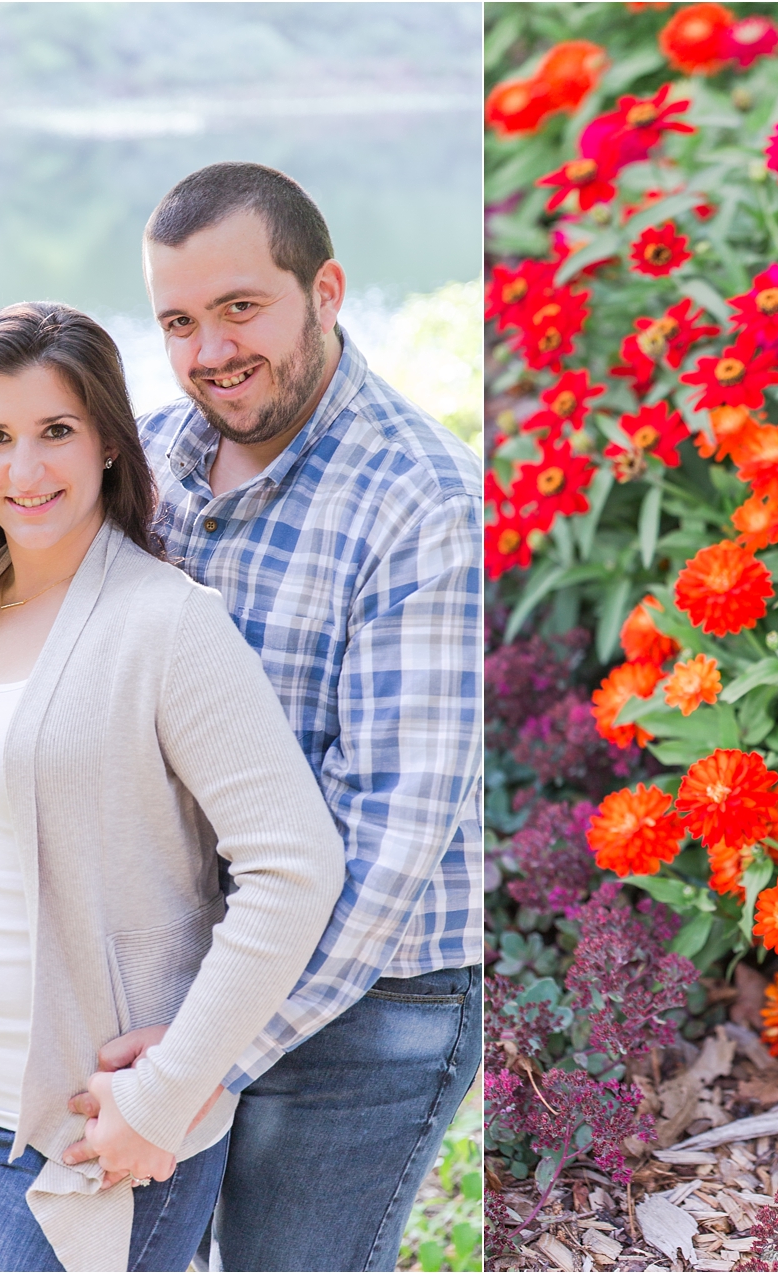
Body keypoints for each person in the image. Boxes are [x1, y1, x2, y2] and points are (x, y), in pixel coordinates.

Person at [0, 302, 345, 1273]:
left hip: (85, 1121)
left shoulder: (167, 626)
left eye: (55, 431)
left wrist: (175, 1083)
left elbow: (295, 864)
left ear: (108, 437)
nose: (26, 470)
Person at [105, 163, 484, 1271]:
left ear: (324, 289)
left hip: (374, 998)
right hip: (187, 959)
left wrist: (201, 1060)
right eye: (177, 320)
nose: (209, 349)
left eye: (239, 307)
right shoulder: (148, 463)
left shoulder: (426, 504)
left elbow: (392, 840)